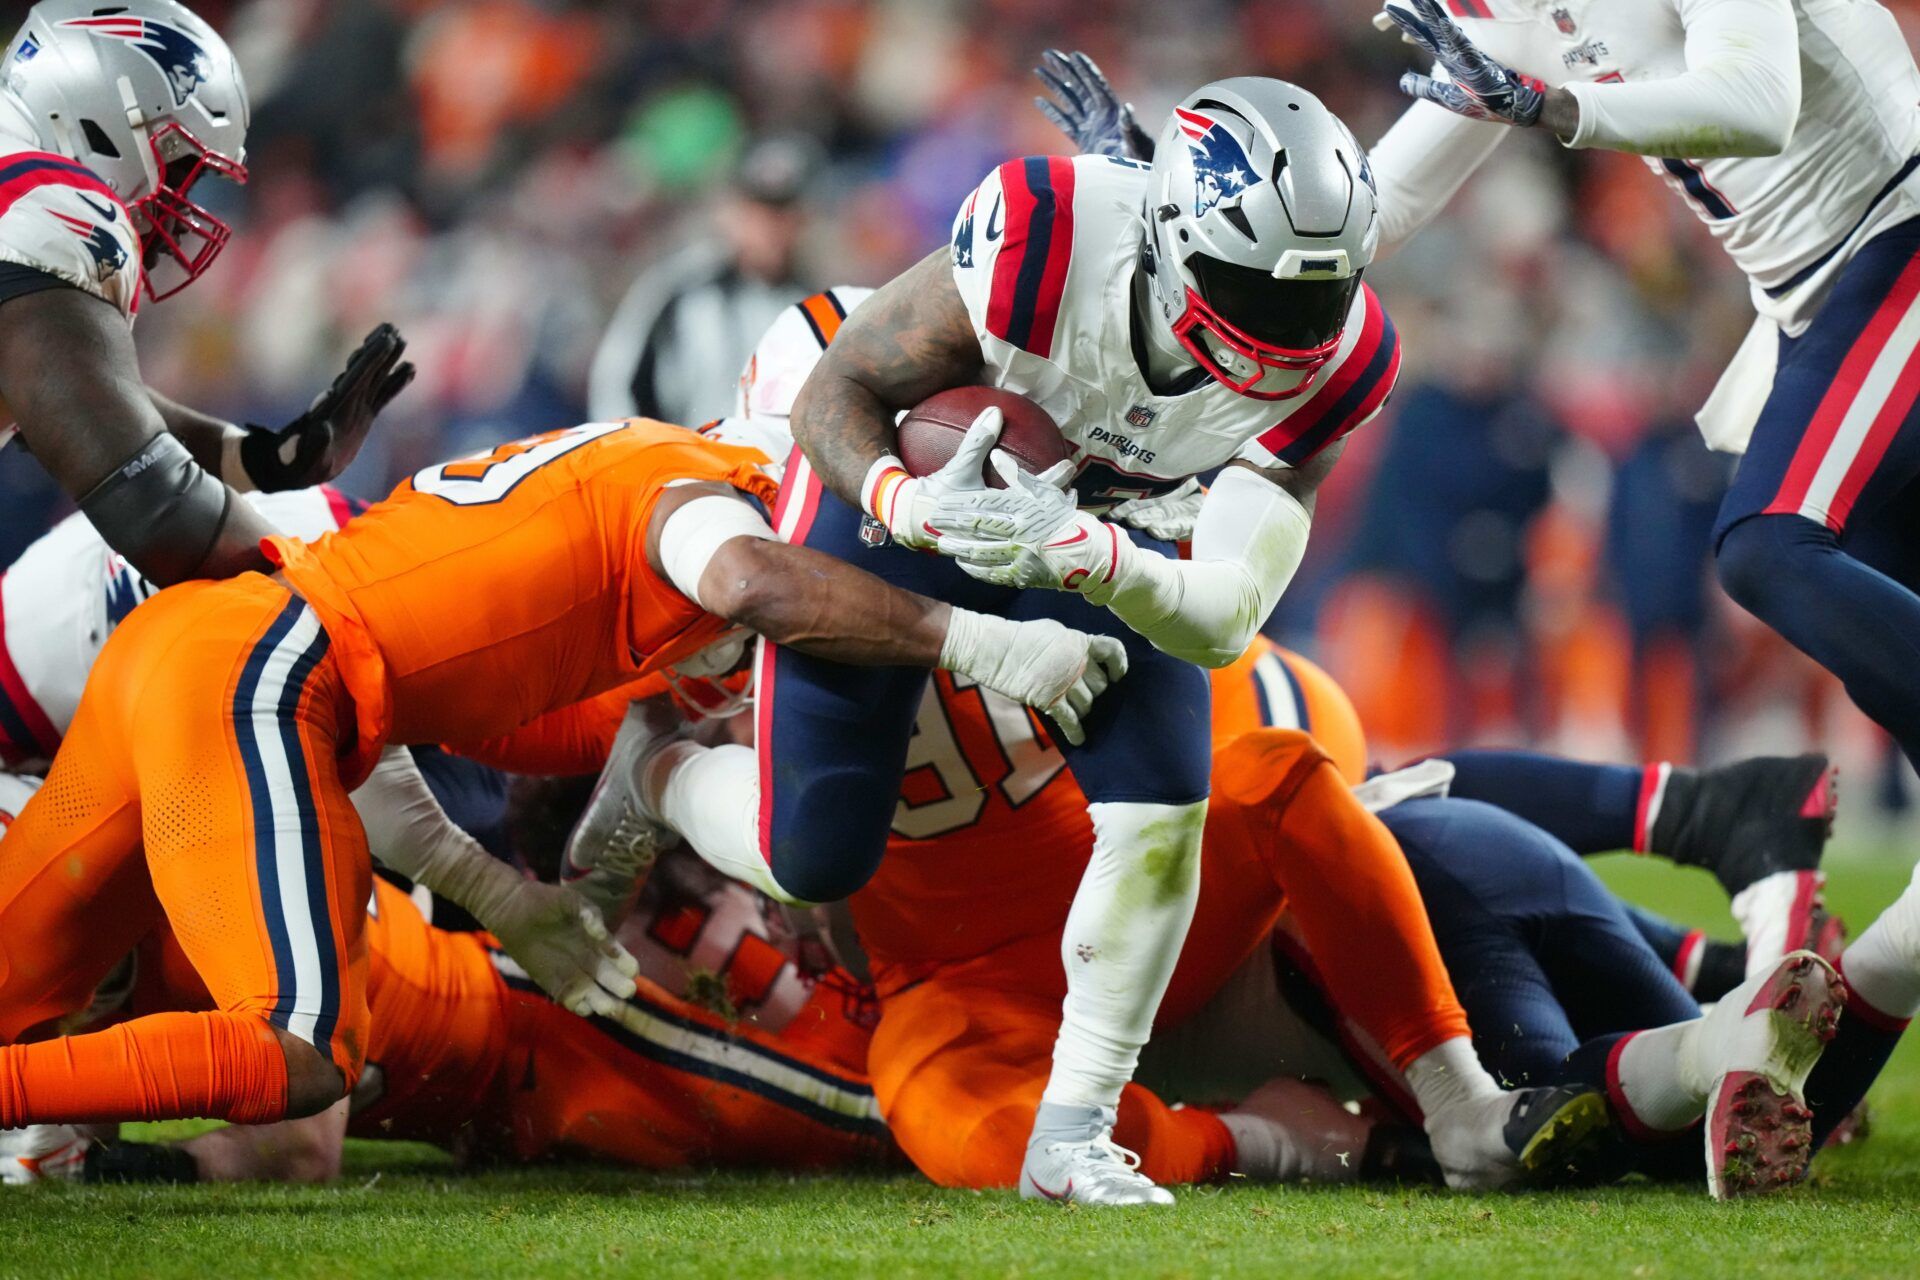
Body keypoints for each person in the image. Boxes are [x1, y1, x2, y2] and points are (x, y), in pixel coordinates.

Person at [624, 73, 1441, 1206]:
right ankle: (658, 775)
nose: (1291, 332)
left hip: (1101, 527)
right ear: (1166, 241)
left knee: (1161, 816)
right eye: (1254, 288)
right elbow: (837, 393)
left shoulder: (1343, 358)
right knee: (814, 850)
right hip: (932, 495)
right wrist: (910, 509)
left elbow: (1223, 617)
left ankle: (1077, 1130)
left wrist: (1094, 553)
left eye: (1316, 295)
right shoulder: (1047, 239)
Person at [0, 418, 1121, 1136]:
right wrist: (974, 639)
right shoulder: (707, 501)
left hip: (203, 649)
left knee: (15, 983)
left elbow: (616, 748)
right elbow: (746, 581)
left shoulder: (624, 571)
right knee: (292, 1049)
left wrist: (550, 896)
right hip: (258, 668)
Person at [0, 0, 412, 588]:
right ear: (102, 120)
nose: (186, 205)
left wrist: (262, 457)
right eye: (183, 167)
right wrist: (353, 592)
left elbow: (88, 402)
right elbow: (156, 512)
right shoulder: (46, 201)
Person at [587, 135, 819, 427]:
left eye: (783, 212)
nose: (770, 227)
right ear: (729, 212)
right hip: (686, 463)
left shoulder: (816, 304)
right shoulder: (679, 291)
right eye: (758, 211)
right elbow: (619, 383)